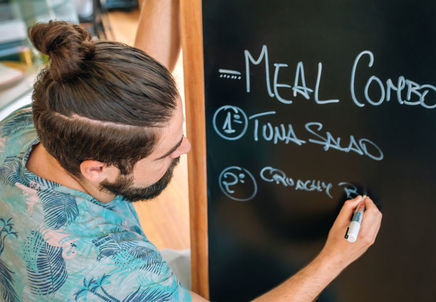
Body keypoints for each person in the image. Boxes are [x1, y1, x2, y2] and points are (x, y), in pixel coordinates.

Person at [0, 19, 381, 302]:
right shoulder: (113, 273)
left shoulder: (35, 122)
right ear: (97, 168)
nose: (186, 147)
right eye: (168, 151)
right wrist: (333, 259)